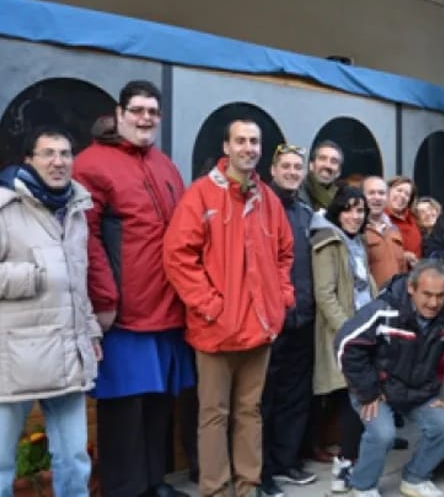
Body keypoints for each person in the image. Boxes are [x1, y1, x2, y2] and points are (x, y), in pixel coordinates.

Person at [73, 80, 194, 497]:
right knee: (124, 407)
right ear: (119, 113)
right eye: (138, 110)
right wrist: (105, 299)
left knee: (158, 403)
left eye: (153, 112)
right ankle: (126, 489)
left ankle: (153, 483)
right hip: (124, 313)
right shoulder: (91, 164)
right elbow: (86, 240)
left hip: (167, 308)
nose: (146, 118)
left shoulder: (165, 165)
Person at [163, 119, 295, 497]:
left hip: (260, 328)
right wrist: (210, 305)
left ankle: (247, 487)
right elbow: (177, 256)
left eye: (254, 141)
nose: (248, 148)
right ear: (226, 147)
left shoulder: (267, 198)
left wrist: (280, 298)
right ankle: (215, 490)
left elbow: (285, 253)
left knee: (250, 412)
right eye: (241, 141)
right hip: (216, 330)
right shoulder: (201, 195)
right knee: (214, 416)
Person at [0, 127, 101, 497]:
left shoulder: (75, 208)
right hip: (13, 359)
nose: (58, 162)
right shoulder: (5, 207)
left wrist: (91, 330)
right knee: (1, 463)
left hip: (66, 352)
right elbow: (51, 275)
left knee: (74, 459)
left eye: (65, 153)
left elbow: (78, 281)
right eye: (48, 153)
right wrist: (33, 276)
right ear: (29, 160)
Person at [334, 260, 444, 497]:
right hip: (378, 389)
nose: (433, 303)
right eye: (427, 294)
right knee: (382, 433)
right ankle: (363, 486)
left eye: (440, 295)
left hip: (420, 389)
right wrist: (368, 391)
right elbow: (346, 344)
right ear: (411, 287)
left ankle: (415, 478)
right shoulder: (383, 309)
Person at [259, 144, 317, 496]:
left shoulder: (307, 214)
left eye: (298, 167)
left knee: (295, 397)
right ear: (273, 169)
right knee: (263, 399)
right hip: (270, 319)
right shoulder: (261, 206)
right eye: (287, 166)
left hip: (303, 318)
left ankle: (286, 460)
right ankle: (261, 470)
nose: (293, 172)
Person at [309, 186, 376, 479]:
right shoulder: (328, 242)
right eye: (348, 210)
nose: (355, 216)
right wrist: (350, 332)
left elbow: (365, 285)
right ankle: (346, 463)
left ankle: (352, 458)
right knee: (351, 397)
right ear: (338, 212)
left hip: (364, 327)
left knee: (358, 396)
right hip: (343, 333)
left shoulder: (357, 241)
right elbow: (325, 295)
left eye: (360, 210)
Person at [362, 176, 408, 288]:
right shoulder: (358, 231)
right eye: (371, 193)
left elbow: (402, 269)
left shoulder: (394, 230)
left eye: (381, 193)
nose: (377, 197)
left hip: (396, 295)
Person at [385, 175, 423, 264]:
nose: (402, 195)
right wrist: (402, 256)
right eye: (399, 190)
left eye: (407, 194)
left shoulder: (414, 218)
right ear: (388, 191)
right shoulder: (379, 218)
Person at [297, 140, 344, 211]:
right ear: (311, 165)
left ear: (339, 172)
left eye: (333, 161)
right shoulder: (296, 194)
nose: (327, 165)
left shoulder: (343, 201)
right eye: (322, 159)